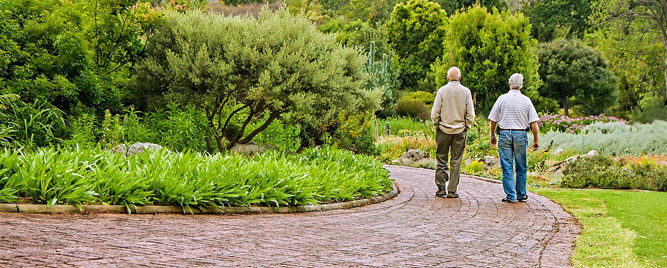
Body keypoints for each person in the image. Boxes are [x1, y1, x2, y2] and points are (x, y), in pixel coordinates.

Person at [488, 73, 540, 203]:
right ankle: (521, 193)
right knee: (521, 165)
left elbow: (493, 120)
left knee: (507, 166)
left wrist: (493, 135)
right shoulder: (526, 100)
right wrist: (535, 140)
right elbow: (533, 123)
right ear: (521, 85)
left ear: (509, 84)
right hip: (521, 134)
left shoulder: (502, 99)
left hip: (505, 133)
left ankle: (511, 195)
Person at [431, 67, 475, 198]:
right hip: (459, 131)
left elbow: (435, 112)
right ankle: (452, 190)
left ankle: (440, 188)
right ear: (460, 77)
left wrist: (436, 125)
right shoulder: (466, 92)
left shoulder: (442, 91)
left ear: (447, 77)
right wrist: (466, 126)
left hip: (443, 130)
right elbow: (470, 113)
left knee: (441, 159)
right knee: (456, 161)